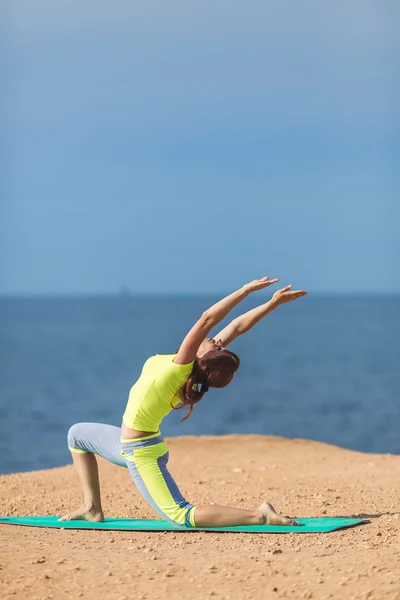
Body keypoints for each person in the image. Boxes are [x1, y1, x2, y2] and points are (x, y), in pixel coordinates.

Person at [61, 276, 307, 528]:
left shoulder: (181, 368)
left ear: (204, 358)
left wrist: (244, 290)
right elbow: (236, 327)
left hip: (141, 452)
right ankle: (92, 508)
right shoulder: (191, 368)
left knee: (180, 516)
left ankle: (260, 515)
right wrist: (271, 304)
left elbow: (207, 319)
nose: (215, 340)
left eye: (215, 346)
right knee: (77, 435)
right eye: (217, 343)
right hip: (124, 443)